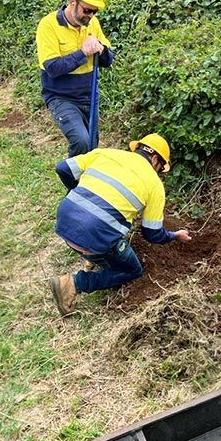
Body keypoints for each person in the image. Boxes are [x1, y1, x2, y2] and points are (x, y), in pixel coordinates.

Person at [50, 133, 192, 316]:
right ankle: (75, 283)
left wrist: (77, 193)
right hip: (92, 235)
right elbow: (152, 233)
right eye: (160, 168)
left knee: (109, 232)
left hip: (65, 221)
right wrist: (175, 235)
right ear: (156, 159)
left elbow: (63, 168)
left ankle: (93, 256)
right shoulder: (155, 184)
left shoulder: (106, 153)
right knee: (132, 269)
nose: (159, 173)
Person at [36, 0, 115, 156]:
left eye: (95, 11)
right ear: (73, 1)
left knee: (92, 149)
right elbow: (53, 68)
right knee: (81, 141)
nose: (91, 15)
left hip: (90, 95)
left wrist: (101, 49)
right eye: (87, 10)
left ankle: (85, 183)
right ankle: (72, 182)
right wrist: (83, 53)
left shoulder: (92, 23)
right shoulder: (48, 25)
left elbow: (109, 59)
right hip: (61, 96)